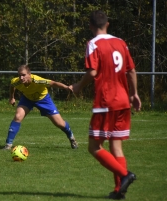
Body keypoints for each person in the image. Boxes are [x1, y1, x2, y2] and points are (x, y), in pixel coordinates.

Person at [68, 10, 141, 199]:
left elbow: (92, 73)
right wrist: (134, 94)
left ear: (91, 26)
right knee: (116, 148)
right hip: (123, 101)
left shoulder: (93, 44)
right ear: (107, 24)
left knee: (94, 147)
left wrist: (78, 86)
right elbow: (131, 71)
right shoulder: (121, 42)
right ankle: (119, 191)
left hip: (106, 102)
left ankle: (125, 175)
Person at [3, 64, 78, 150]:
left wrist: (66, 87)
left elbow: (53, 83)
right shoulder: (16, 81)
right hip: (27, 99)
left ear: (29, 74)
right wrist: (12, 97)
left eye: (23, 75)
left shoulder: (38, 80)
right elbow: (12, 86)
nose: (21, 78)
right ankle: (8, 145)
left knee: (59, 123)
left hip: (44, 100)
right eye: (19, 75)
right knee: (18, 116)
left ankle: (71, 137)